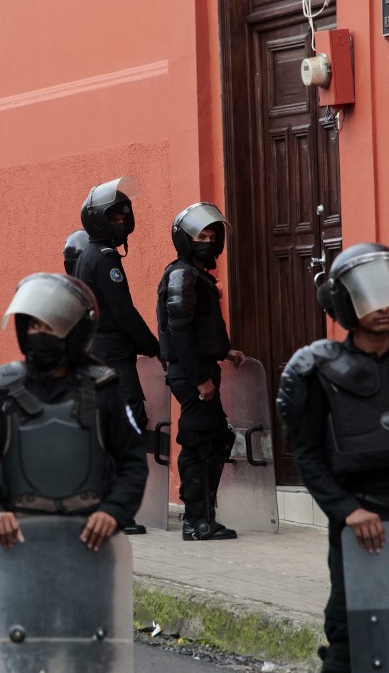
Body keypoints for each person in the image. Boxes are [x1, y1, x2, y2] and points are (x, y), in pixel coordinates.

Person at [277, 243, 389, 673]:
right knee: (349, 633)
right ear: (345, 301)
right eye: (370, 294)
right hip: (359, 526)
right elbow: (310, 455)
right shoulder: (318, 369)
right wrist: (347, 511)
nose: (383, 307)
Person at [0, 272, 148, 550]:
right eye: (33, 325)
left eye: (49, 326)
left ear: (74, 332)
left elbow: (132, 462)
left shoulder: (103, 391)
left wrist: (113, 511)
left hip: (89, 546)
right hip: (16, 544)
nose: (38, 333)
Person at [74, 177, 158, 534]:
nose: (122, 223)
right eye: (115, 217)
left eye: (125, 216)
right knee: (125, 427)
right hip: (112, 353)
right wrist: (155, 347)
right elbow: (124, 312)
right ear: (97, 220)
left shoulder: (87, 255)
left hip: (99, 351)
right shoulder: (104, 258)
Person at [156, 202, 244, 541]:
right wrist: (200, 379)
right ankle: (196, 521)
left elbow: (201, 327)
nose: (206, 241)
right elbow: (181, 332)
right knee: (197, 444)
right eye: (199, 236)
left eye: (211, 235)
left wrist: (224, 350)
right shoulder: (182, 275)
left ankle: (204, 515)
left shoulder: (194, 274)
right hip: (192, 375)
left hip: (199, 370)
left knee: (215, 439)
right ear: (185, 240)